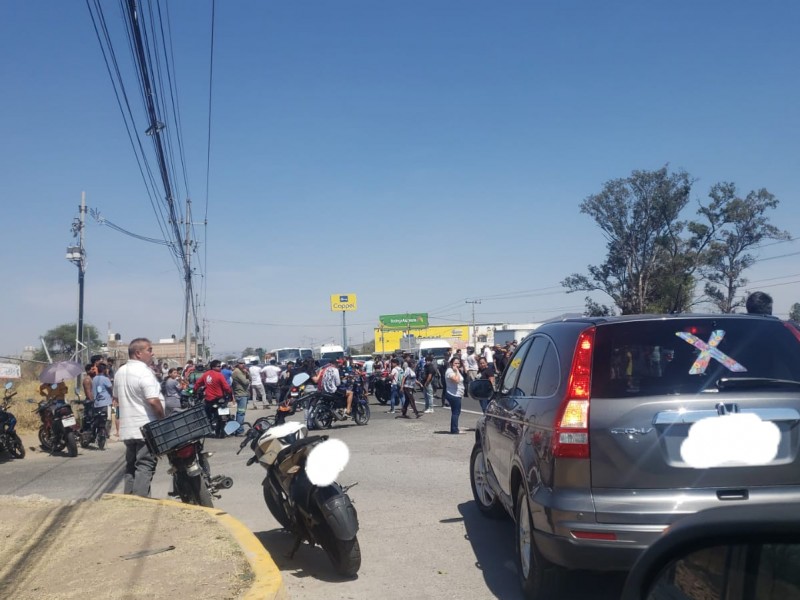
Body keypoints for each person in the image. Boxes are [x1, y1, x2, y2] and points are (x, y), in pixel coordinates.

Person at [113, 338, 165, 497]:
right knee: (145, 466)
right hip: (145, 428)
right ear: (138, 353)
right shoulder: (144, 372)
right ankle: (140, 502)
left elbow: (116, 399)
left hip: (129, 429)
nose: (152, 353)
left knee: (131, 467)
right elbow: (153, 400)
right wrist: (163, 421)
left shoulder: (120, 372)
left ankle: (129, 498)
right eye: (149, 350)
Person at [194, 359, 234, 424]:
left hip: (209, 399)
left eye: (220, 366)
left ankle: (210, 422)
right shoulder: (219, 375)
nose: (220, 367)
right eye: (218, 366)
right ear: (213, 367)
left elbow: (198, 383)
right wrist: (230, 394)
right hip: (219, 398)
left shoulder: (206, 374)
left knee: (207, 413)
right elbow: (226, 387)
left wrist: (194, 391)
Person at [92, 363, 114, 438]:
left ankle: (98, 433)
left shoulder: (94, 379)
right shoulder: (106, 379)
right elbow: (111, 389)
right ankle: (106, 434)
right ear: (104, 370)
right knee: (108, 419)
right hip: (106, 403)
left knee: (98, 418)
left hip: (97, 403)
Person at [445, 356, 465, 434]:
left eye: (458, 363)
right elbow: (456, 380)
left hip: (457, 394)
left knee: (456, 412)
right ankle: (454, 429)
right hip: (453, 394)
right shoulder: (450, 371)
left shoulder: (455, 370)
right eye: (455, 363)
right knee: (456, 412)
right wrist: (456, 371)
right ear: (451, 363)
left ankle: (454, 428)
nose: (457, 365)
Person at [231, 360, 250, 435]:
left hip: (242, 394)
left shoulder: (241, 371)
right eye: (241, 363)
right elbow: (245, 382)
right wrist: (248, 379)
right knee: (241, 412)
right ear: (237, 364)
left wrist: (247, 373)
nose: (243, 365)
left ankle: (238, 429)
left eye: (243, 363)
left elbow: (248, 378)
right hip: (240, 395)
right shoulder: (237, 372)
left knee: (241, 412)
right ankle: (239, 430)